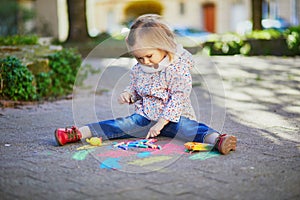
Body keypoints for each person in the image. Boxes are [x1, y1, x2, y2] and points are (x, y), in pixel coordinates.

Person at [54, 14, 237, 155]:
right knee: (120, 125)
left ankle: (218, 140)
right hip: (145, 118)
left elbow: (178, 98)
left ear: (163, 46)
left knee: (191, 128)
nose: (145, 61)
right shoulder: (139, 69)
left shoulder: (177, 68)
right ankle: (78, 132)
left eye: (149, 56)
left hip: (174, 119)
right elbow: (135, 87)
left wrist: (161, 124)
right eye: (139, 58)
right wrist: (129, 94)